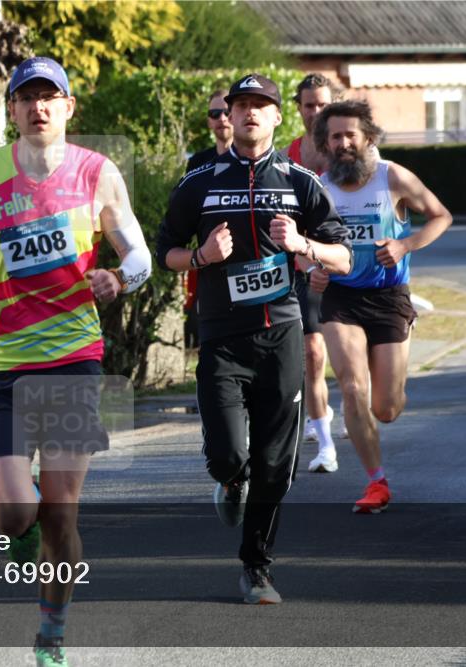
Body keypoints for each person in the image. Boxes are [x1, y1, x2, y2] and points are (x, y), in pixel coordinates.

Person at [0, 56, 151, 666]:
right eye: (26, 98)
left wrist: (117, 278)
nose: (38, 107)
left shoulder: (97, 173)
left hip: (71, 356)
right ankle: (31, 540)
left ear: (68, 106)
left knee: (60, 515)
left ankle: (51, 627)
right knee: (10, 515)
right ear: (11, 110)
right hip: (1, 358)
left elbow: (139, 255)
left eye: (49, 96)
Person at [156, 73, 352, 604]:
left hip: (281, 335)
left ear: (276, 117)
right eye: (241, 105)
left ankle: (256, 568)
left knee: (274, 463)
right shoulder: (200, 180)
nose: (249, 113)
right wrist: (201, 257)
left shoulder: (298, 182)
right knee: (229, 455)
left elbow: (344, 256)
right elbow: (165, 251)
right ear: (231, 114)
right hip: (221, 337)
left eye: (260, 105)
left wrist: (304, 243)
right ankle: (228, 479)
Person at [308, 100, 452, 514]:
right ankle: (376, 483)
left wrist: (405, 243)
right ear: (325, 143)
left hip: (389, 297)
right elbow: (301, 246)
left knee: (386, 408)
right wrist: (313, 268)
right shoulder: (320, 188)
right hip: (341, 298)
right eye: (335, 136)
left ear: (367, 137)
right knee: (352, 388)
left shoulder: (393, 177)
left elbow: (441, 216)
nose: (343, 143)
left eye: (351, 134)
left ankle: (383, 393)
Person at [282, 74, 340, 472]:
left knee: (359, 369)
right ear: (298, 108)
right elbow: (288, 221)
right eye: (308, 105)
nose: (315, 112)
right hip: (307, 267)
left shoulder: (347, 150)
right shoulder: (288, 156)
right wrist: (308, 262)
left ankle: (349, 400)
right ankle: (325, 445)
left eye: (322, 105)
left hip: (350, 267)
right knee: (313, 352)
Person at [183, 89, 234, 348]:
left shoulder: (251, 159)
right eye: (215, 114)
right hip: (209, 258)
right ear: (209, 121)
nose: (222, 118)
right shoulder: (198, 163)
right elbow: (185, 209)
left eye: (226, 112)